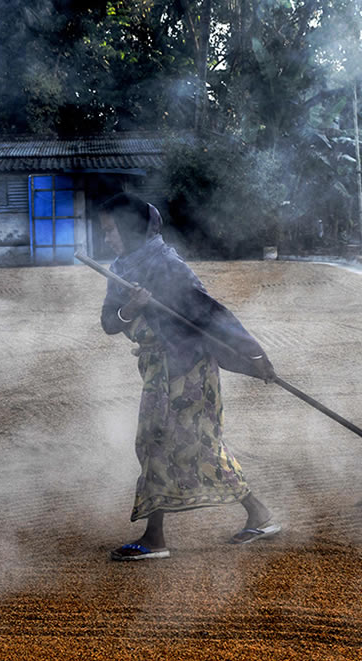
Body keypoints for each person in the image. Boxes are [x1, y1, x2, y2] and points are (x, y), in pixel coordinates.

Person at [96, 192, 280, 561]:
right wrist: (131, 308)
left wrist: (253, 353)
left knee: (166, 442)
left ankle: (155, 538)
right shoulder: (121, 268)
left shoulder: (166, 265)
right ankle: (257, 515)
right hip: (159, 370)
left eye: (111, 230)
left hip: (186, 370)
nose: (106, 239)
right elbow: (109, 323)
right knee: (176, 444)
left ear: (130, 228)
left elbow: (210, 314)